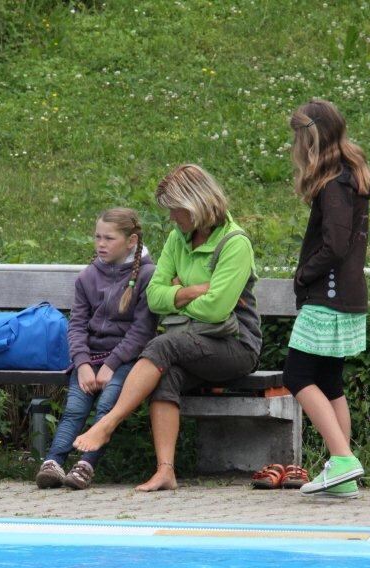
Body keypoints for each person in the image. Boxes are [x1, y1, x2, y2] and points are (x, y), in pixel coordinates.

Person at [74, 164, 261, 491]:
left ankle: (108, 423)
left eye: (175, 210)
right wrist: (193, 290)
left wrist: (176, 293)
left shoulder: (235, 243)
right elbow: (154, 297)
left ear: (195, 204)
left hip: (234, 346)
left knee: (164, 346)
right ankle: (165, 471)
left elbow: (217, 310)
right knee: (166, 374)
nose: (171, 218)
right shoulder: (179, 238)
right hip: (193, 342)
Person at [282, 99, 370, 499]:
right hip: (345, 297)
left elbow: (335, 244)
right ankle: (345, 477)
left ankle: (341, 459)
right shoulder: (349, 176)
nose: (294, 146)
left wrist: (304, 274)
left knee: (297, 376)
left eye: (297, 137)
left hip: (328, 297)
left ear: (311, 138)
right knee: (330, 382)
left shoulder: (334, 183)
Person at [35, 208, 157, 490]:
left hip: (126, 360)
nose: (101, 244)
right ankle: (53, 462)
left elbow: (142, 331)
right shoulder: (87, 276)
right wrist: (82, 363)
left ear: (131, 241)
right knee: (75, 410)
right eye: (97, 237)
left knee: (106, 407)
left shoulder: (147, 276)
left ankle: (85, 465)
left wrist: (112, 364)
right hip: (90, 360)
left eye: (109, 238)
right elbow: (76, 325)